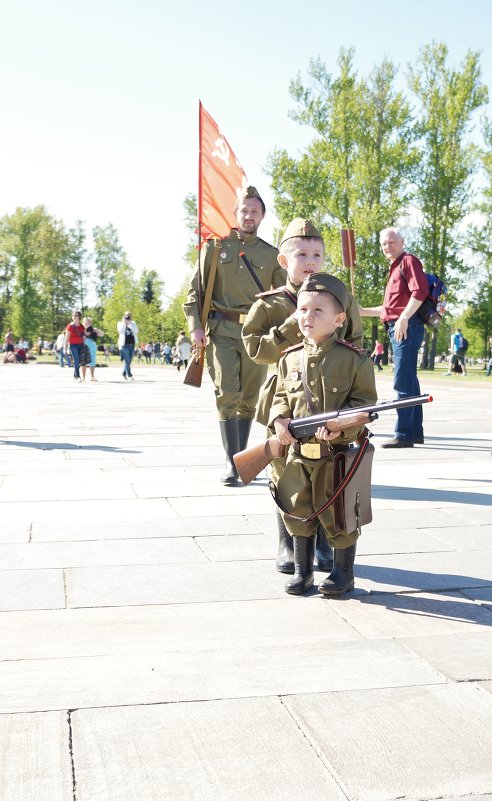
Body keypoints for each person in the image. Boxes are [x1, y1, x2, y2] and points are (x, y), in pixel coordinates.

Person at [242, 218, 364, 575]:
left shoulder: (341, 297)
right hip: (285, 397)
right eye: (301, 254)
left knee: (330, 471)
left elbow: (355, 343)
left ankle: (327, 540)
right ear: (284, 261)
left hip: (331, 394)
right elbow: (256, 350)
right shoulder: (269, 304)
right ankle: (288, 543)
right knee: (286, 470)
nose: (310, 260)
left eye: (317, 254)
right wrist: (292, 324)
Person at [267, 272, 377, 596]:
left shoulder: (354, 360)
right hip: (299, 457)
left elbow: (364, 406)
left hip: (334, 457)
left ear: (339, 318)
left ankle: (343, 574)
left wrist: (341, 428)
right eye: (302, 310)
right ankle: (303, 573)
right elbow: (280, 399)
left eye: (318, 311)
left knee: (339, 516)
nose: (307, 317)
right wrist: (280, 422)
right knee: (299, 511)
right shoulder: (289, 359)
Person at [183, 185, 285, 485]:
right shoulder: (214, 247)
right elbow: (195, 292)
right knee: (227, 392)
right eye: (244, 210)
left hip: (257, 335)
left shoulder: (271, 254)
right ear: (235, 214)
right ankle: (232, 461)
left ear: (262, 216)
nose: (249, 215)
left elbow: (283, 297)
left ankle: (242, 461)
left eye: (255, 211)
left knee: (250, 398)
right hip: (221, 329)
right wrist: (195, 328)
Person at [359, 227, 428, 448]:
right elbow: (389, 308)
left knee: (402, 381)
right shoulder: (395, 267)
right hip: (398, 324)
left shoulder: (408, 261)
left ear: (402, 241)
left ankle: (404, 435)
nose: (387, 247)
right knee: (410, 382)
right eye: (384, 244)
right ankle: (415, 432)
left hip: (406, 327)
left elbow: (420, 291)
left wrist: (405, 317)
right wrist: (361, 310)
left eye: (391, 242)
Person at [64, 310, 85, 381]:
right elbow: (66, 338)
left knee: (79, 361)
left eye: (75, 315)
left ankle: (75, 375)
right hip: (73, 345)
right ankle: (78, 376)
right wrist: (65, 348)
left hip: (81, 345)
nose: (74, 317)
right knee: (76, 360)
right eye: (73, 315)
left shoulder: (82, 326)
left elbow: (83, 337)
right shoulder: (70, 326)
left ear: (79, 317)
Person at [117, 311, 139, 381]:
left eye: (129, 315)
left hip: (132, 344)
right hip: (124, 344)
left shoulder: (133, 323)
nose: (128, 316)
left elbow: (136, 331)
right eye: (127, 315)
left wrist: (130, 324)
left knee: (129, 361)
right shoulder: (120, 323)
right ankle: (129, 375)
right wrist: (124, 323)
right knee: (127, 360)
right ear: (124, 316)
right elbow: (120, 331)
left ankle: (124, 373)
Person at [81, 317, 103, 381]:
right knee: (83, 362)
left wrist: (97, 330)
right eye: (85, 322)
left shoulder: (93, 329)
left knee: (92, 361)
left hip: (92, 345)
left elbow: (102, 334)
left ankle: (92, 377)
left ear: (90, 323)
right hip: (83, 345)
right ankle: (83, 377)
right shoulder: (81, 329)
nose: (86, 323)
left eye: (88, 322)